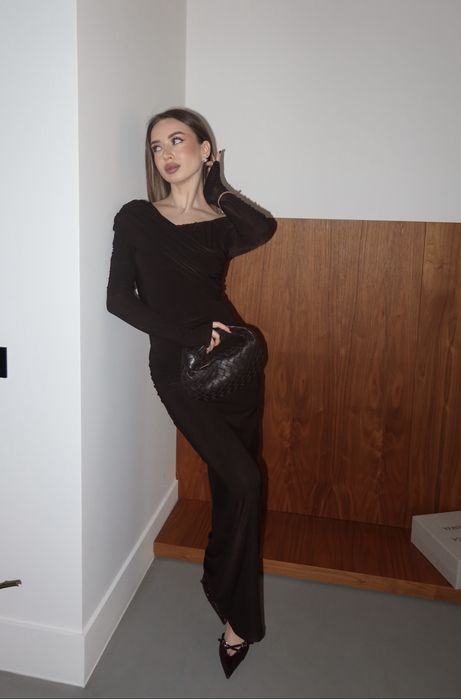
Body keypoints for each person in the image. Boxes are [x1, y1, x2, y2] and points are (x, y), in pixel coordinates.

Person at [106, 107, 276, 678]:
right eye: (156, 146)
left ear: (205, 149)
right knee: (246, 481)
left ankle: (223, 588)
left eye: (178, 141)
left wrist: (218, 186)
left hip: (237, 369)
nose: (165, 154)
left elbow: (263, 229)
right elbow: (119, 300)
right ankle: (239, 615)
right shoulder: (136, 217)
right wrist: (191, 336)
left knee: (236, 485)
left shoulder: (222, 224)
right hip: (178, 371)